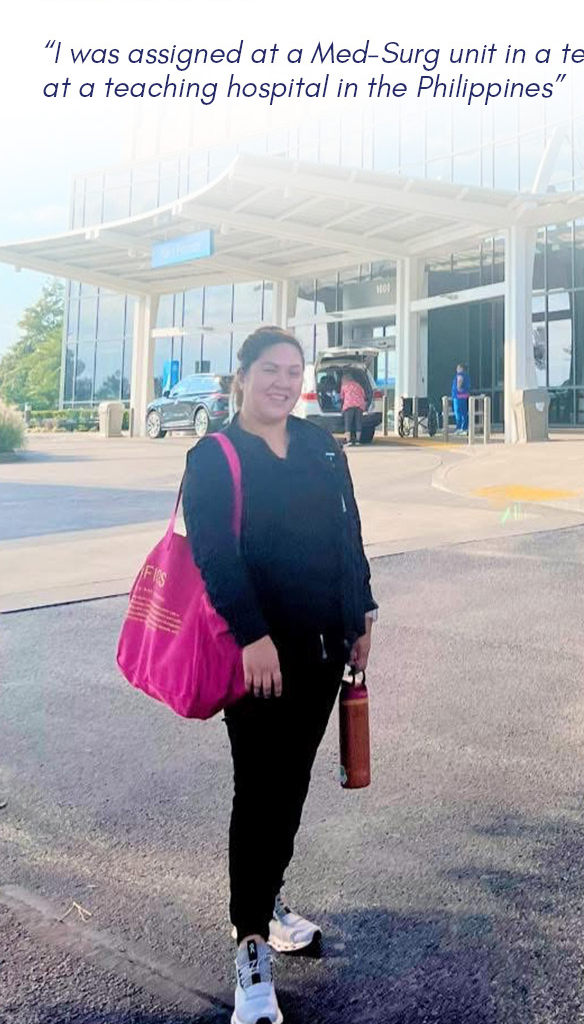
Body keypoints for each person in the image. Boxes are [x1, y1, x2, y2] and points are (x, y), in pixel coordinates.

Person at [183, 326, 377, 1024]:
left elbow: (347, 535)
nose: (283, 382)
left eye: (293, 371)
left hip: (324, 650)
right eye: (270, 369)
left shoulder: (323, 447)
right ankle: (251, 953)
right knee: (260, 792)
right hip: (261, 661)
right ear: (241, 377)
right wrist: (252, 636)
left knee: (291, 785)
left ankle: (267, 899)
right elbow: (215, 556)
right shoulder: (214, 456)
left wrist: (363, 616)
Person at [340, 369, 368, 447]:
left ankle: (348, 440)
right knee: (358, 422)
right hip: (359, 405)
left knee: (348, 423)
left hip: (349, 405)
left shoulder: (344, 386)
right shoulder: (358, 385)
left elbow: (342, 397)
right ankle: (358, 440)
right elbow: (363, 395)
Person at [450, 362, 471, 432]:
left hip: (458, 396)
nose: (457, 369)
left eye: (458, 368)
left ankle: (459, 428)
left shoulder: (460, 374)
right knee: (464, 412)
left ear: (461, 368)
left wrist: (458, 388)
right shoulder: (466, 375)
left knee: (458, 412)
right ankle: (464, 427)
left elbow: (459, 380)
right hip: (464, 396)